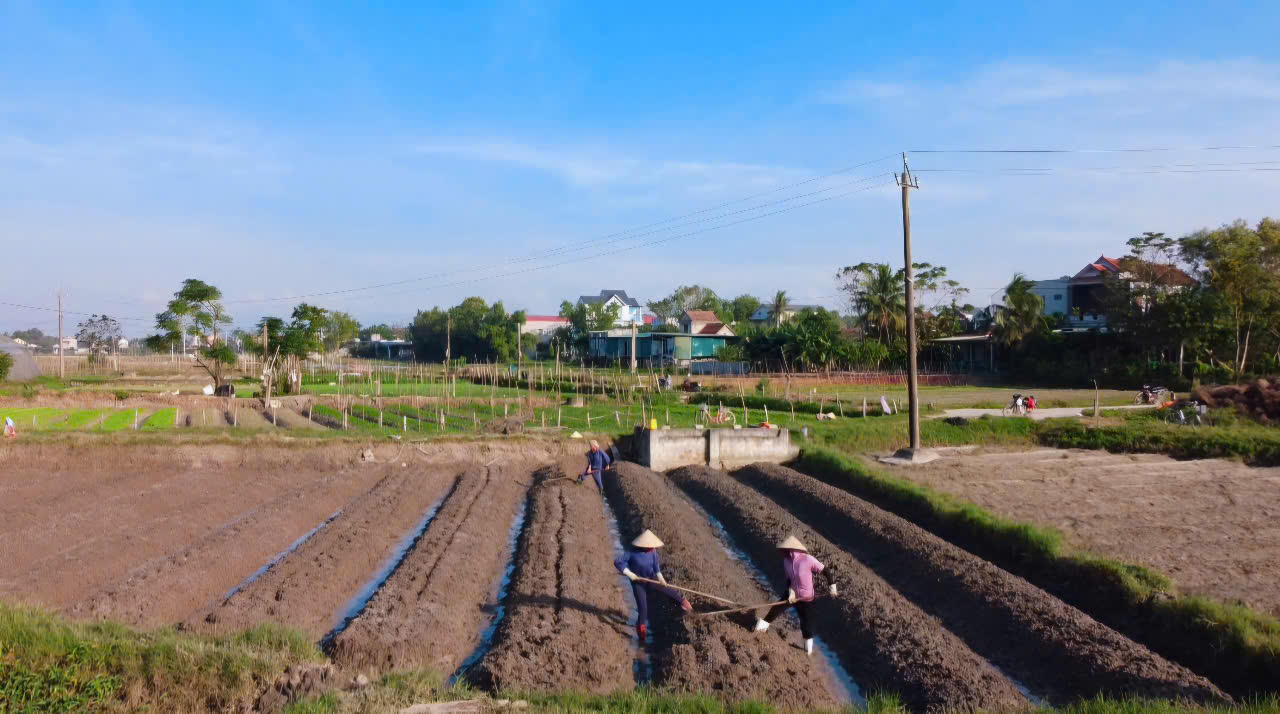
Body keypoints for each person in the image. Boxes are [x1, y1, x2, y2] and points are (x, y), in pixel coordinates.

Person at [753, 535, 838, 656]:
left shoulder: (808, 560)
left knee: (806, 624)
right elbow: (789, 579)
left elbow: (826, 571)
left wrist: (832, 586)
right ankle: (758, 631)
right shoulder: (786, 562)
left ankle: (807, 652)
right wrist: (790, 592)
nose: (784, 552)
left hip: (806, 598)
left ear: (793, 550)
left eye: (787, 550)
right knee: (775, 610)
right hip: (792, 595)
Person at [615, 529, 692, 639]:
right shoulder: (632, 553)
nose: (652, 548)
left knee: (669, 590)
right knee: (643, 609)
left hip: (652, 578)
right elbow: (618, 562)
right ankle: (641, 634)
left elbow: (656, 566)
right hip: (638, 583)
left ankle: (686, 606)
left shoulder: (653, 552)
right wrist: (629, 573)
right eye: (649, 546)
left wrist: (660, 577)